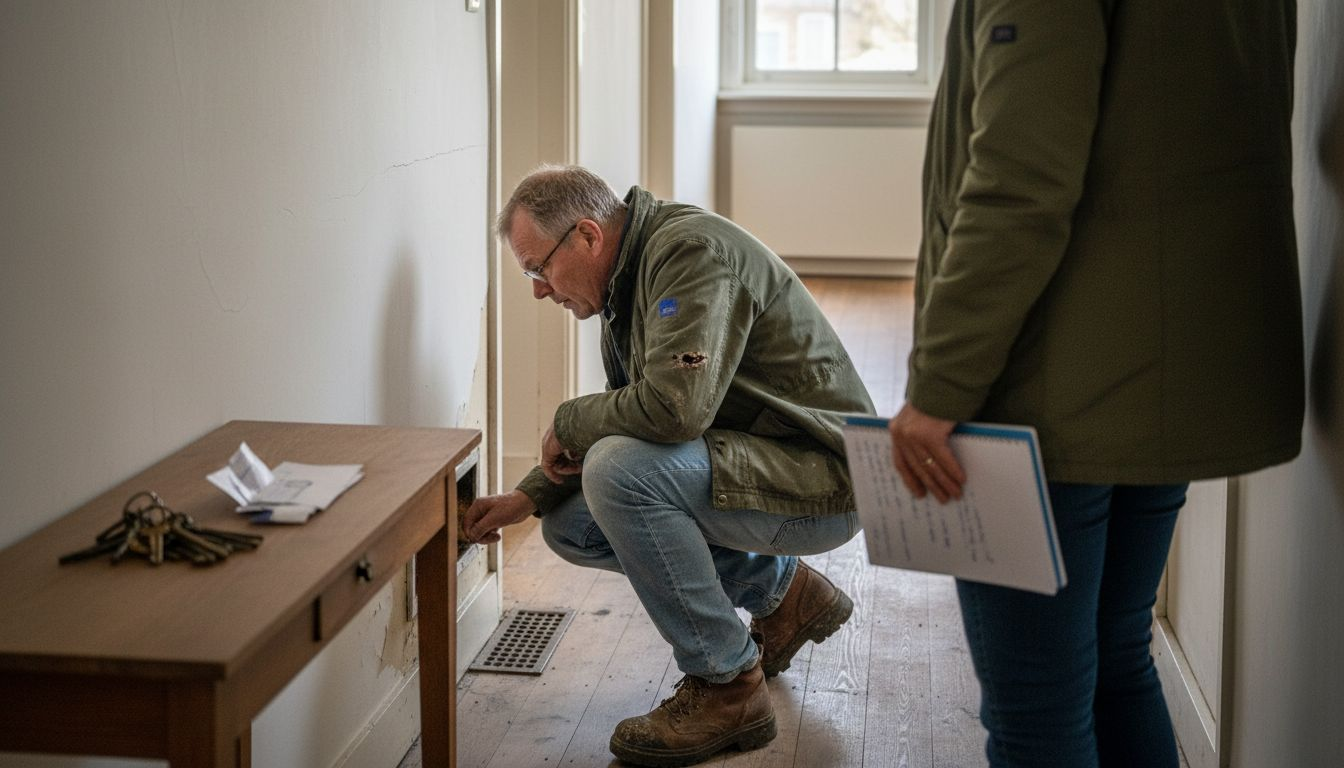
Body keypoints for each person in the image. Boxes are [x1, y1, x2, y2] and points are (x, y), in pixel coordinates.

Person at [888, 2, 1304, 767]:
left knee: (1036, 715)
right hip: (1166, 366)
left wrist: (940, 386)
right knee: (1118, 661)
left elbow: (1020, 179)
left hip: (1048, 388)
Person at [464, 165, 877, 767]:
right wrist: (529, 497)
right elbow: (631, 421)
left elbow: (670, 411)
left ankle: (726, 685)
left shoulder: (688, 254)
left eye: (537, 267)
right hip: (764, 463)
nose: (538, 289)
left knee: (617, 472)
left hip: (826, 480)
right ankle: (784, 594)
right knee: (571, 524)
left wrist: (568, 417)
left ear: (587, 235)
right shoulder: (627, 279)